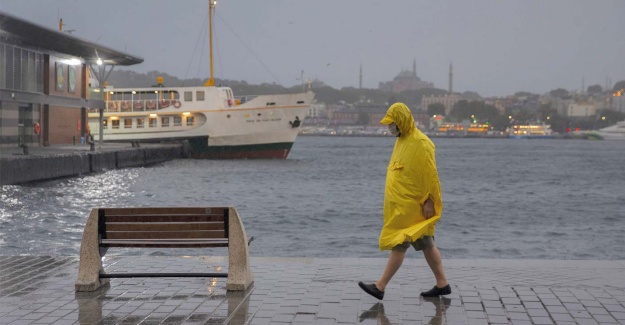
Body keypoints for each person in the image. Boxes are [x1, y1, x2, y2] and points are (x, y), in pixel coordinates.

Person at [358, 102, 451, 300]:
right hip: (402, 207)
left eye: (392, 123)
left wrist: (430, 200)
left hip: (413, 208)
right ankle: (442, 283)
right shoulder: (402, 140)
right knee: (427, 244)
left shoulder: (421, 143)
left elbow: (431, 176)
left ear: (401, 120)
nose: (390, 127)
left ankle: (380, 286)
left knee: (399, 245)